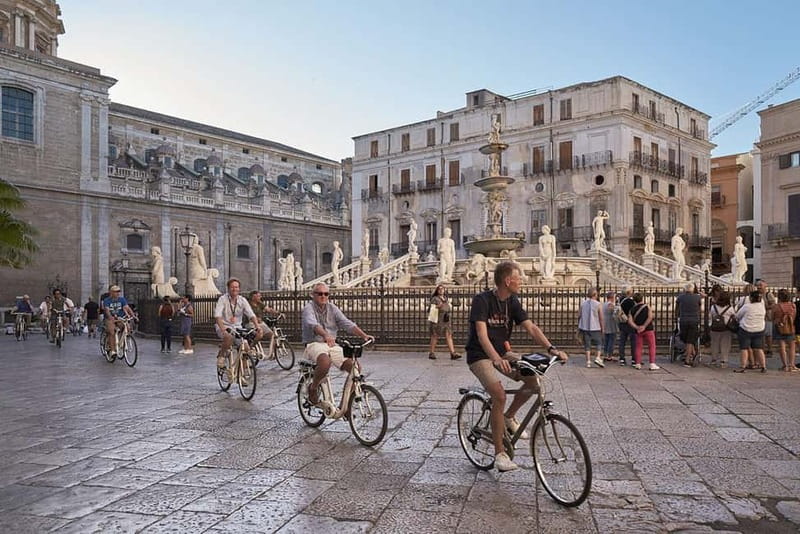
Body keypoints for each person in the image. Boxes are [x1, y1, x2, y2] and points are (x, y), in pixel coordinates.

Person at [464, 261, 568, 472]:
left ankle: (508, 416)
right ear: (507, 280)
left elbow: (531, 327)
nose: (521, 281)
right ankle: (500, 455)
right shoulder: (482, 301)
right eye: (518, 278)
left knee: (534, 381)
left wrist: (551, 349)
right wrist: (495, 358)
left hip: (502, 352)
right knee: (499, 395)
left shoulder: (512, 301)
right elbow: (482, 336)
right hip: (479, 355)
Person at [301, 282, 373, 405]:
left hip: (332, 344)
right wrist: (325, 335)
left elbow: (346, 323)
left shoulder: (332, 308)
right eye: (320, 294)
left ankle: (345, 405)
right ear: (313, 295)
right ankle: (313, 388)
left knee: (355, 368)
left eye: (326, 294)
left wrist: (364, 336)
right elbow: (312, 324)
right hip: (314, 343)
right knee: (325, 363)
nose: (323, 296)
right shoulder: (309, 308)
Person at [214, 278, 262, 377]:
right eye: (232, 287)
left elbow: (251, 314)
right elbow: (217, 316)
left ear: (239, 289)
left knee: (246, 349)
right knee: (228, 337)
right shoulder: (223, 299)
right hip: (224, 325)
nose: (234, 289)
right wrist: (223, 330)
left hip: (237, 327)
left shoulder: (242, 300)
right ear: (228, 288)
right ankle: (221, 356)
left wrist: (257, 326)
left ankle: (241, 375)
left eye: (236, 287)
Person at [733, 290, 766, 373]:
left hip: (746, 329)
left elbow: (737, 316)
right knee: (759, 348)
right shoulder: (762, 306)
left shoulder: (747, 306)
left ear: (751, 298)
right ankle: (763, 366)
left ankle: (743, 366)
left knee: (744, 348)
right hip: (759, 329)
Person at [428, 284, 461, 360]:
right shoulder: (435, 299)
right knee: (435, 336)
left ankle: (452, 353)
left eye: (442, 289)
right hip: (438, 319)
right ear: (437, 290)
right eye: (439, 289)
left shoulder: (445, 298)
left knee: (449, 335)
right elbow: (430, 308)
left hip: (446, 319)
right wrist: (437, 306)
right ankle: (431, 352)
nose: (441, 290)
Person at [628, 293, 660, 370]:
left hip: (638, 331)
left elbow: (630, 321)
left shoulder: (632, 309)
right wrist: (644, 326)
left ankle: (638, 363)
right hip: (648, 329)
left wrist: (637, 327)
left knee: (638, 347)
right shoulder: (647, 306)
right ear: (642, 298)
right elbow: (650, 317)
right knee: (651, 346)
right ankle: (652, 363)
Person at [102, 285, 135, 357]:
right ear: (111, 292)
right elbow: (107, 310)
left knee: (125, 327)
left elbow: (127, 308)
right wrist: (110, 317)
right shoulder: (107, 300)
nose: (118, 293)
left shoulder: (122, 299)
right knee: (112, 332)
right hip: (110, 319)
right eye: (116, 292)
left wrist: (133, 316)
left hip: (119, 318)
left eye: (118, 291)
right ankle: (113, 350)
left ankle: (120, 342)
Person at [578, 288, 605, 368]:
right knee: (599, 343)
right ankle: (598, 357)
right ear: (595, 295)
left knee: (587, 345)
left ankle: (588, 361)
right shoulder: (598, 304)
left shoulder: (583, 303)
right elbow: (601, 318)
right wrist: (602, 328)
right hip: (595, 327)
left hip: (585, 327)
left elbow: (579, 315)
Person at [676, 282, 701, 367]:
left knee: (686, 338)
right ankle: (690, 356)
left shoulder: (680, 297)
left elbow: (677, 309)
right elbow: (699, 308)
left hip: (683, 320)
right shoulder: (697, 297)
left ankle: (689, 356)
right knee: (690, 339)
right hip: (694, 320)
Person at [772, 289, 797, 372]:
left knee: (782, 347)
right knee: (792, 346)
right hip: (790, 327)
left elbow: (772, 317)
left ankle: (785, 365)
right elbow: (794, 316)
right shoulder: (793, 305)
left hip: (779, 327)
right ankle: (791, 365)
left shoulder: (776, 306)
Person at [708, 291, 735, 368]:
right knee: (725, 345)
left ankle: (714, 360)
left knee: (714, 344)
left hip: (715, 328)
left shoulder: (713, 307)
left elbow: (710, 316)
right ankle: (724, 360)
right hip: (726, 328)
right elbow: (734, 316)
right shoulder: (730, 308)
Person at [617, 286, 638, 366]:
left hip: (622, 321)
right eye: (632, 291)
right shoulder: (630, 302)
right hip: (630, 322)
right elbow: (633, 312)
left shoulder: (620, 300)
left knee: (622, 341)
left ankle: (622, 358)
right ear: (629, 292)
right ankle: (634, 359)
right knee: (633, 341)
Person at [756, 279, 776, 358]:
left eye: (760, 285)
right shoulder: (757, 294)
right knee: (762, 335)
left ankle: (770, 349)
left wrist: (764, 307)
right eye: (758, 285)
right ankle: (763, 349)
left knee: (768, 334)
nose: (759, 287)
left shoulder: (768, 294)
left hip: (767, 317)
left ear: (765, 286)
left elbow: (773, 304)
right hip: (759, 317)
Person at [601, 291, 618, 361]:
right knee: (611, 340)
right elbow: (615, 314)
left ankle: (605, 354)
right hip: (611, 324)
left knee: (606, 340)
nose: (615, 298)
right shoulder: (610, 305)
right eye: (614, 297)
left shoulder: (603, 304)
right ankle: (609, 355)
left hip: (605, 324)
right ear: (612, 297)